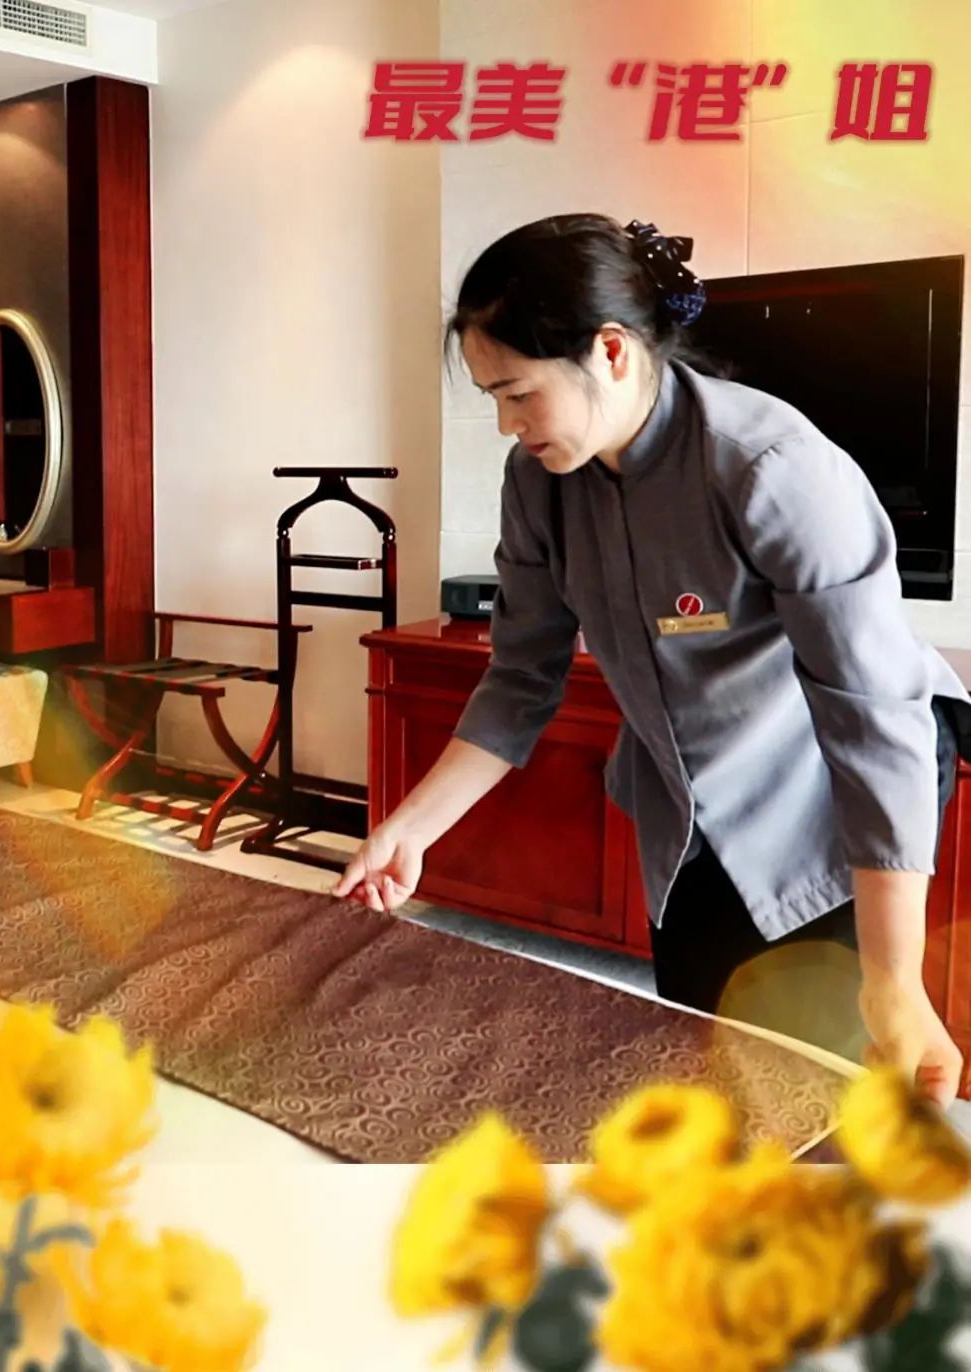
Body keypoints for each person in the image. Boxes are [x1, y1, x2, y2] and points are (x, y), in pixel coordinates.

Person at [333, 212, 970, 1108]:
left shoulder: (769, 467)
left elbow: (872, 717)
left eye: (518, 393)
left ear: (611, 351)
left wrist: (894, 980)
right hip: (688, 787)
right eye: (492, 398)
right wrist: (409, 829)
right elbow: (519, 677)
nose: (508, 424)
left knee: (817, 1065)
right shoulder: (539, 483)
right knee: (702, 1040)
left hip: (834, 780)